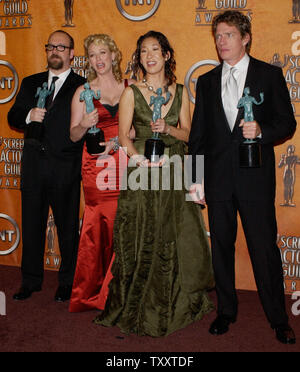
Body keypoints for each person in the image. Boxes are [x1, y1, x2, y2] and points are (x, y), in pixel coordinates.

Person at [94, 30, 214, 337]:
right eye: (144, 51)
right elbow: (123, 136)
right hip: (142, 172)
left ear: (167, 56)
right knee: (142, 233)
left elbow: (191, 136)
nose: (149, 56)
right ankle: (136, 303)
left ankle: (173, 302)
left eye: (155, 50)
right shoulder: (131, 93)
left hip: (174, 170)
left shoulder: (182, 90)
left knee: (175, 235)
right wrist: (138, 160)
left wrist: (170, 129)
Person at [188, 10, 297, 344]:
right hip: (218, 180)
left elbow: (287, 124)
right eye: (218, 35)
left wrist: (262, 130)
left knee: (263, 248)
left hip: (254, 179)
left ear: (245, 37)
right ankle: (226, 312)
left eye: (229, 35)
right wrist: (195, 179)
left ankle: (278, 319)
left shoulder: (268, 74)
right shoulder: (206, 81)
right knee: (220, 247)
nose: (222, 41)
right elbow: (198, 135)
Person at [8, 30, 85, 302]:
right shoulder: (30, 83)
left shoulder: (82, 86)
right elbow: (13, 116)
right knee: (31, 225)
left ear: (72, 53)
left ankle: (68, 281)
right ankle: (30, 281)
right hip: (33, 167)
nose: (55, 51)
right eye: (50, 46)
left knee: (67, 229)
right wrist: (29, 115)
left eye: (61, 47)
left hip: (65, 166)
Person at [69, 34, 134, 312]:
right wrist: (84, 123)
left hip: (127, 162)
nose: (98, 59)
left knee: (128, 223)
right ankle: (93, 291)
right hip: (97, 166)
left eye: (103, 53)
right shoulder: (82, 90)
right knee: (99, 226)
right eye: (93, 54)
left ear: (113, 55)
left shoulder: (130, 86)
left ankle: (123, 291)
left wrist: (121, 139)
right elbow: (73, 136)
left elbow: (140, 128)